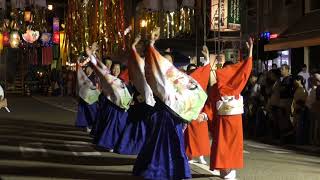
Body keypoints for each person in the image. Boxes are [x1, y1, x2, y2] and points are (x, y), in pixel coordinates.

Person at [133, 27, 207, 180]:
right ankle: (153, 170)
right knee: (156, 144)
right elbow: (150, 61)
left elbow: (190, 92)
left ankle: (176, 171)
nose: (166, 64)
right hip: (159, 114)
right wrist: (151, 43)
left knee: (175, 144)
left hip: (174, 117)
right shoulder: (156, 75)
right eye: (163, 61)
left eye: (169, 62)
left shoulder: (179, 77)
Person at [202, 38, 253, 179]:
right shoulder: (219, 88)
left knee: (230, 147)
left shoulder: (237, 86)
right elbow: (210, 104)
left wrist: (250, 52)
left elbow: (245, 71)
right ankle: (225, 169)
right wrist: (205, 115)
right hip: (224, 121)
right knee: (222, 146)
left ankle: (229, 169)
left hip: (233, 121)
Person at [115, 35, 155, 155]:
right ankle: (129, 147)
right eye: (145, 48)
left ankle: (145, 149)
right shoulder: (140, 62)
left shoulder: (153, 63)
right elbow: (134, 79)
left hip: (152, 98)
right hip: (140, 97)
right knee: (135, 124)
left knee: (147, 126)